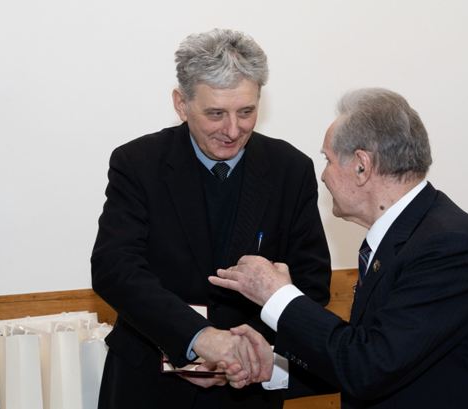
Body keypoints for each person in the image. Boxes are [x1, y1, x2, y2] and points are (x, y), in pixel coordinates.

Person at [210, 88, 468, 408]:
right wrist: (273, 368)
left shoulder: (451, 246)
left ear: (362, 166)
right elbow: (374, 355)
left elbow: (369, 368)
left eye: (328, 160)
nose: (323, 176)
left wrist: (277, 295)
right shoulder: (406, 237)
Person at [90, 28, 331, 409]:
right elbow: (114, 269)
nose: (233, 130)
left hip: (247, 387)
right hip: (148, 383)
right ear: (181, 104)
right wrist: (198, 339)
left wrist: (244, 351)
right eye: (216, 114)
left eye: (246, 112)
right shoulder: (137, 163)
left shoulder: (290, 169)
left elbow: (311, 283)